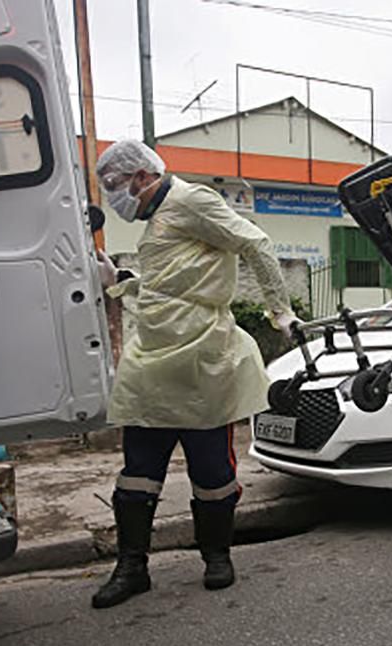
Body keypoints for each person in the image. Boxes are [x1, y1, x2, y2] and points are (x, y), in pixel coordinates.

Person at [89, 139, 297, 608]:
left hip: (203, 359)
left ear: (143, 176)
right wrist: (120, 281)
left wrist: (280, 312)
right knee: (138, 473)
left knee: (212, 471)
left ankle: (217, 556)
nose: (113, 197)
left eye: (115, 184)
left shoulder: (192, 200)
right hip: (153, 362)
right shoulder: (160, 221)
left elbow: (256, 243)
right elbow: (168, 288)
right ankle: (131, 567)